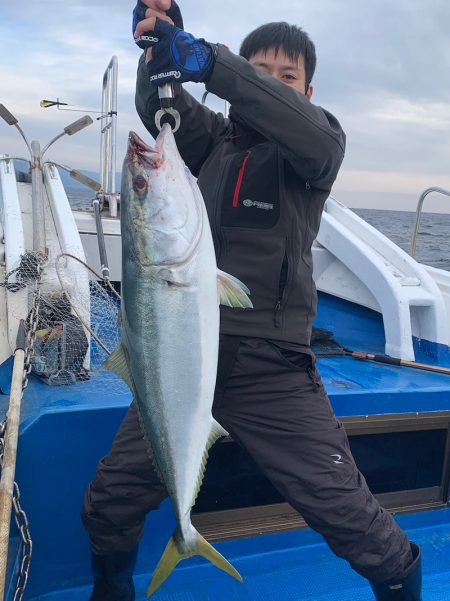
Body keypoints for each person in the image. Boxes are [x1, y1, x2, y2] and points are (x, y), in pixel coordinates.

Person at [81, 2, 422, 600]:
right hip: (181, 361)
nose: (265, 82)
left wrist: (215, 62)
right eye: (255, 68)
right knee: (107, 501)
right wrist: (159, 52)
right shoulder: (214, 144)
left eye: (283, 76)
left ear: (307, 90)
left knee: (355, 522)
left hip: (272, 367)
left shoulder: (315, 150)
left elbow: (302, 127)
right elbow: (165, 110)